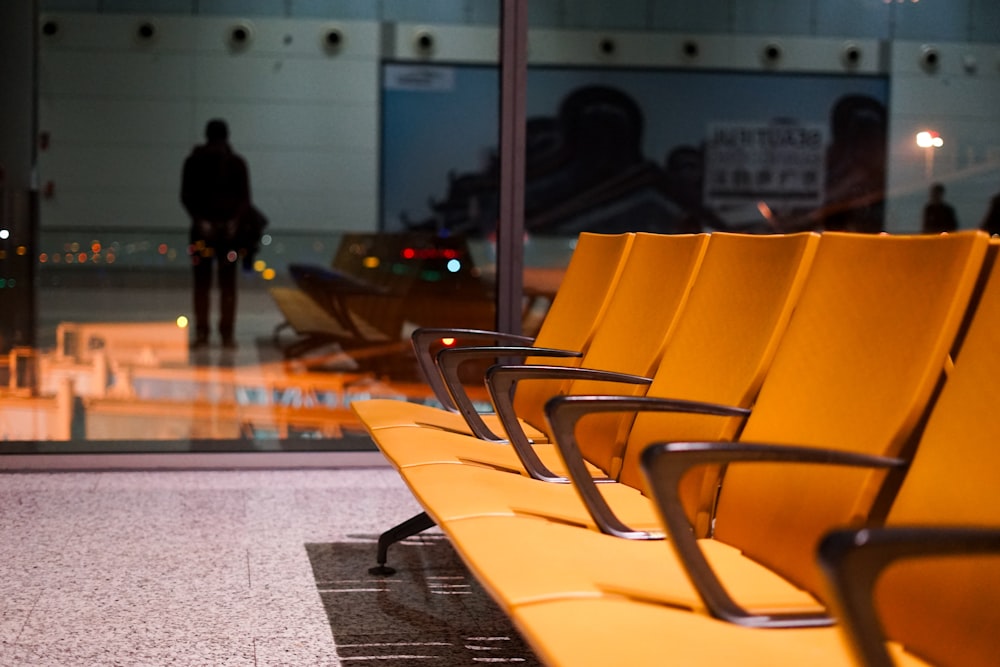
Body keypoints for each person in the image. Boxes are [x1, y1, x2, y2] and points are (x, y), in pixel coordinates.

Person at [181, 119, 251, 349]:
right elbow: (245, 199)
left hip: (201, 235)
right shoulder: (237, 163)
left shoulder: (193, 162)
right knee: (228, 286)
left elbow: (186, 196)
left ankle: (202, 333)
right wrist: (232, 223)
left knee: (201, 285)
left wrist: (201, 221)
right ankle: (227, 334)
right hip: (230, 237)